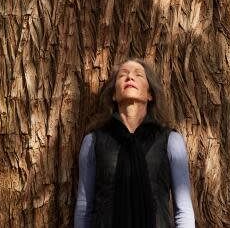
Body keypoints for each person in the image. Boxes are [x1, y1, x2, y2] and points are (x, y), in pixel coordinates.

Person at [73, 58, 196, 228]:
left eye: (138, 75)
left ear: (150, 94)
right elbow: (83, 208)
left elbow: (183, 211)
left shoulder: (171, 141)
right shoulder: (93, 141)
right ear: (114, 95)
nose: (130, 77)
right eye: (123, 75)